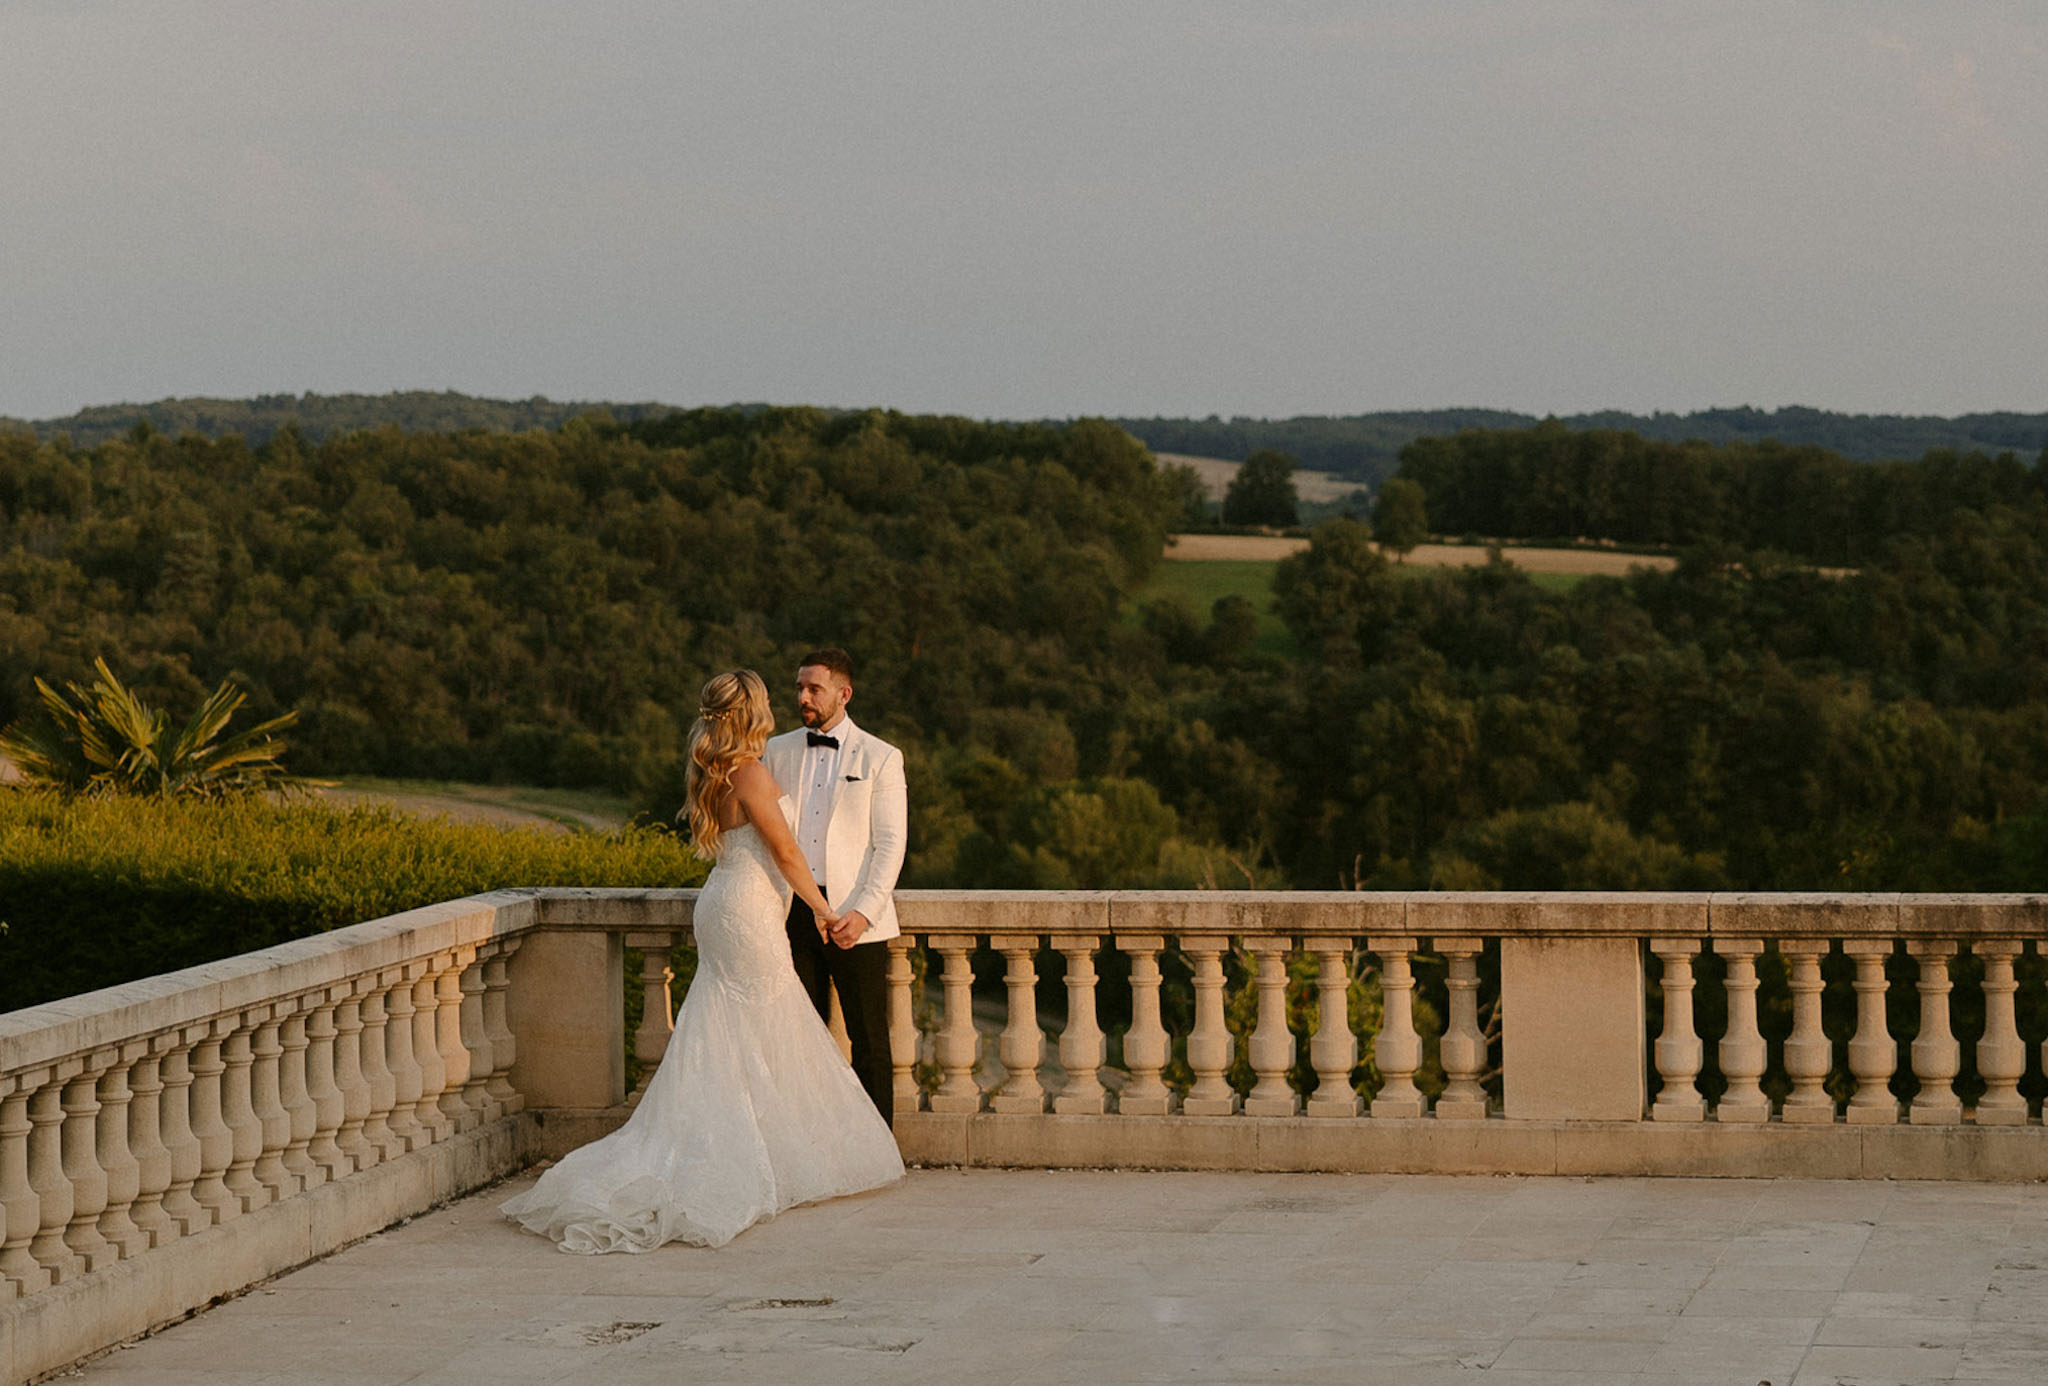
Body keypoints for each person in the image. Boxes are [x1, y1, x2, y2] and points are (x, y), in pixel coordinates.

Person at [499, 669, 903, 1252]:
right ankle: (767, 1155)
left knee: (729, 1028)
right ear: (753, 712)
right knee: (766, 1024)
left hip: (724, 902)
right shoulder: (750, 771)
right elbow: (788, 852)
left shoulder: (712, 767)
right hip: (749, 909)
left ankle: (760, 1144)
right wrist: (822, 908)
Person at [763, 648, 908, 1125]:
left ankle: (879, 1147)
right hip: (794, 914)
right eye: (800, 687)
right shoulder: (776, 750)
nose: (803, 696)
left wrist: (862, 913)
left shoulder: (882, 757)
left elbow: (889, 846)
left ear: (843, 694)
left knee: (870, 1040)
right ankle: (814, 1145)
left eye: (814, 689)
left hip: (855, 916)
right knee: (800, 1040)